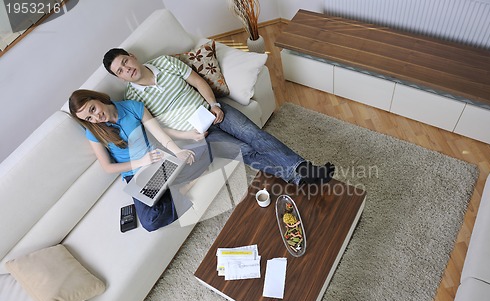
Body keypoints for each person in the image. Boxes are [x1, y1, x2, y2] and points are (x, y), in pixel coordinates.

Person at [102, 48, 335, 185]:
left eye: (125, 62)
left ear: (132, 56)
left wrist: (214, 105)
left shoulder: (165, 63)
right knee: (245, 150)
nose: (127, 69)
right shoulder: (132, 99)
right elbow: (157, 128)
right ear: (120, 78)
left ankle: (303, 168)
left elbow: (198, 81)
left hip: (211, 111)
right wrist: (188, 136)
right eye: (120, 71)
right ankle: (298, 178)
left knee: (254, 134)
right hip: (195, 136)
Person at [68, 89, 211, 232]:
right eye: (89, 118)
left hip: (159, 160)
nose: (96, 117)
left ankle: (169, 187)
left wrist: (177, 151)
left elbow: (159, 133)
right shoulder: (93, 132)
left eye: (93, 109)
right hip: (136, 175)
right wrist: (141, 162)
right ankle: (182, 188)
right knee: (150, 221)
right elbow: (107, 167)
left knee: (206, 151)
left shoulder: (132, 107)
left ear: (97, 98)